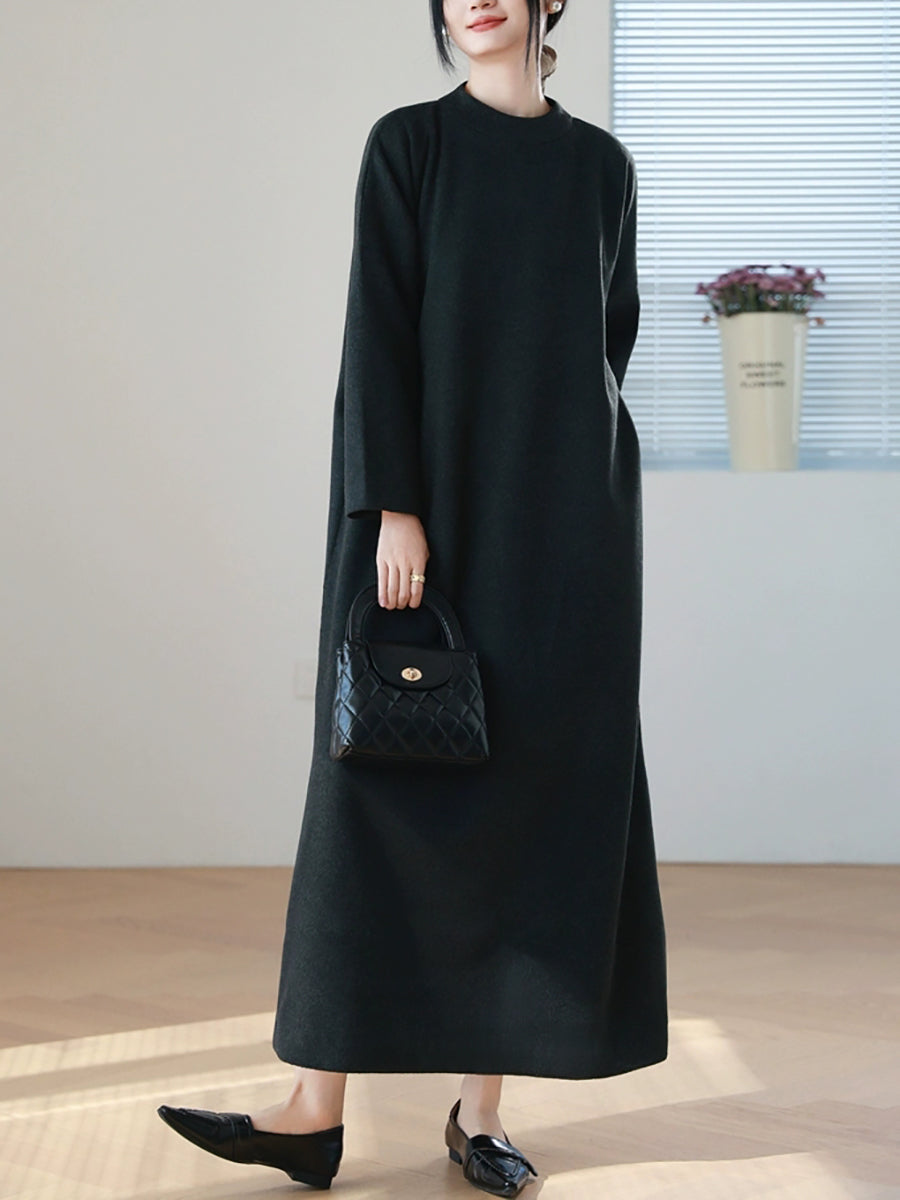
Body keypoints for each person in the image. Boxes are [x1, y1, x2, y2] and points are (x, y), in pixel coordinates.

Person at [156, 1, 668, 1195]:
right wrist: (395, 503)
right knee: (372, 796)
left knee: (537, 807)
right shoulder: (410, 145)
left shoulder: (602, 167)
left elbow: (609, 341)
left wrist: (570, 488)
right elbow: (377, 330)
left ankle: (480, 1115)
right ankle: (311, 1110)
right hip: (421, 519)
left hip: (566, 535)